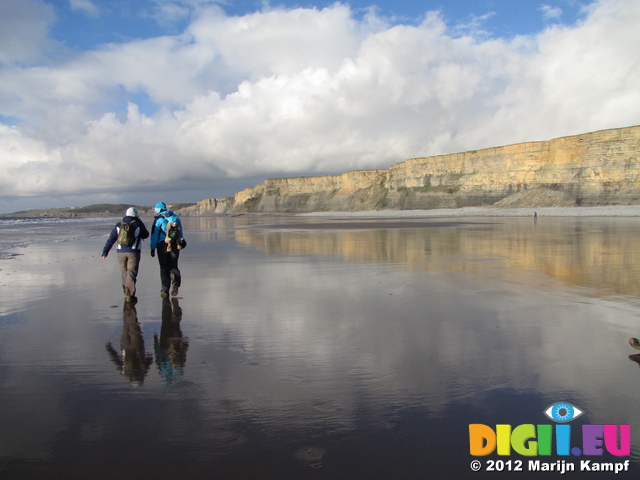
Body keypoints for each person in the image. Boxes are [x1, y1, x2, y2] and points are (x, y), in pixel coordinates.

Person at [102, 207, 149, 302]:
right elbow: (146, 235)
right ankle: (130, 295)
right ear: (136, 215)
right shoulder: (138, 224)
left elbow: (111, 239)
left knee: (124, 272)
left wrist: (105, 251)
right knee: (132, 272)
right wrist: (139, 222)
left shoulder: (119, 225)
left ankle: (126, 292)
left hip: (120, 252)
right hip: (133, 252)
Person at [150, 202, 183, 297]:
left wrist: (152, 248)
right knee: (174, 265)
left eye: (156, 210)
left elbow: (154, 235)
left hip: (162, 245)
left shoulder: (158, 220)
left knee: (164, 267)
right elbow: (180, 233)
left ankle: (164, 290)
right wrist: (180, 243)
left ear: (159, 210)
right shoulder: (176, 218)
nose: (155, 212)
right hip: (175, 244)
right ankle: (176, 281)